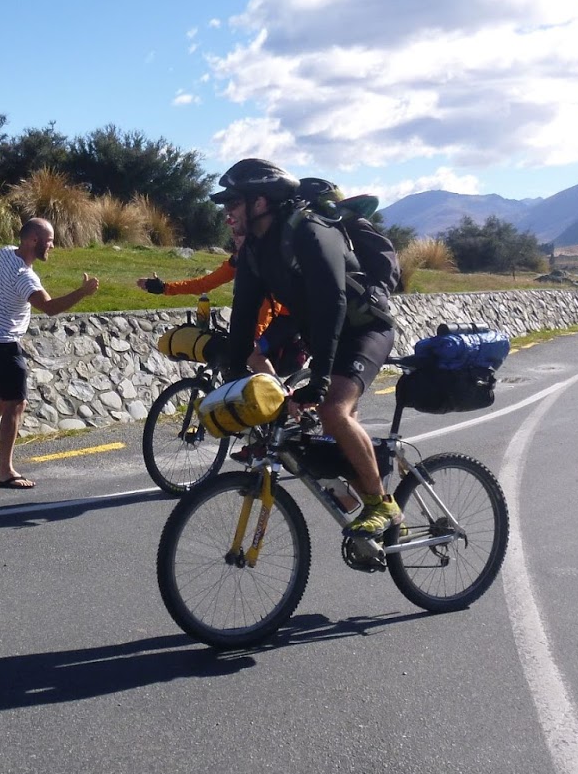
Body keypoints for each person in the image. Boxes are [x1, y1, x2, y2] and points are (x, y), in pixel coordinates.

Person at [215, 158, 399, 563]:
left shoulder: (312, 231)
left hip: (364, 329)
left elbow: (333, 303)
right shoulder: (255, 250)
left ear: (260, 202)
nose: (227, 212)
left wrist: (319, 379)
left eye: (234, 202)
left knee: (333, 410)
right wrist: (233, 373)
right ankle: (364, 506)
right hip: (324, 335)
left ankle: (382, 505)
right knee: (311, 429)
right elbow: (243, 314)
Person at [0, 218, 100, 489]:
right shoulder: (25, 276)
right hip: (3, 346)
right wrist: (82, 292)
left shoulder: (4, 253)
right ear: (34, 240)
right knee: (16, 404)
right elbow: (49, 308)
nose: (53, 246)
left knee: (3, 401)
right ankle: (5, 471)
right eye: (50, 241)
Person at [136, 234, 298, 376]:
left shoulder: (267, 262)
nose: (235, 237)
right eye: (234, 233)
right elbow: (204, 284)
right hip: (258, 315)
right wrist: (164, 288)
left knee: (252, 353)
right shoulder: (238, 260)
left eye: (240, 233)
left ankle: (279, 396)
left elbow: (270, 306)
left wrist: (252, 338)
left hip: (287, 318)